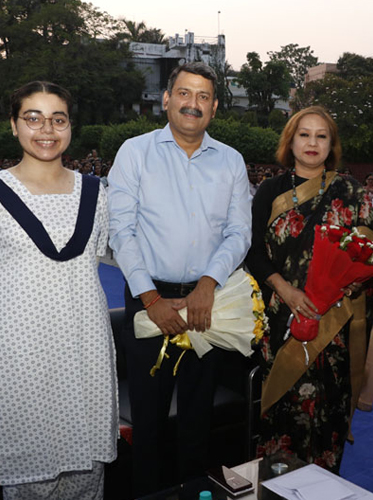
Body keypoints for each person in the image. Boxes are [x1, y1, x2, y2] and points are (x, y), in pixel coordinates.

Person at [107, 62, 251, 497]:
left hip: (208, 304)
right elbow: (121, 231)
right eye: (184, 94)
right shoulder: (135, 152)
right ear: (167, 99)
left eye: (203, 96)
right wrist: (151, 298)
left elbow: (239, 232)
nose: (193, 104)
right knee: (148, 423)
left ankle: (193, 491)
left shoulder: (231, 161)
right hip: (150, 301)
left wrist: (208, 284)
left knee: (197, 420)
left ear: (215, 107)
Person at [245, 106, 373, 474]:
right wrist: (286, 290)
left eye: (321, 136)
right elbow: (254, 253)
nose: (312, 142)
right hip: (282, 320)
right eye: (304, 134)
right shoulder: (270, 190)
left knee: (329, 416)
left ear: (332, 144)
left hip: (337, 326)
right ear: (290, 141)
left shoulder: (351, 191)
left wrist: (357, 279)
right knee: (281, 416)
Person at [0, 81, 117, 500]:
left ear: (70, 127)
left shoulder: (97, 194)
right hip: (20, 362)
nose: (46, 129)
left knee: (86, 484)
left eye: (58, 119)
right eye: (33, 118)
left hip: (86, 357)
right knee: (28, 483)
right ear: (14, 125)